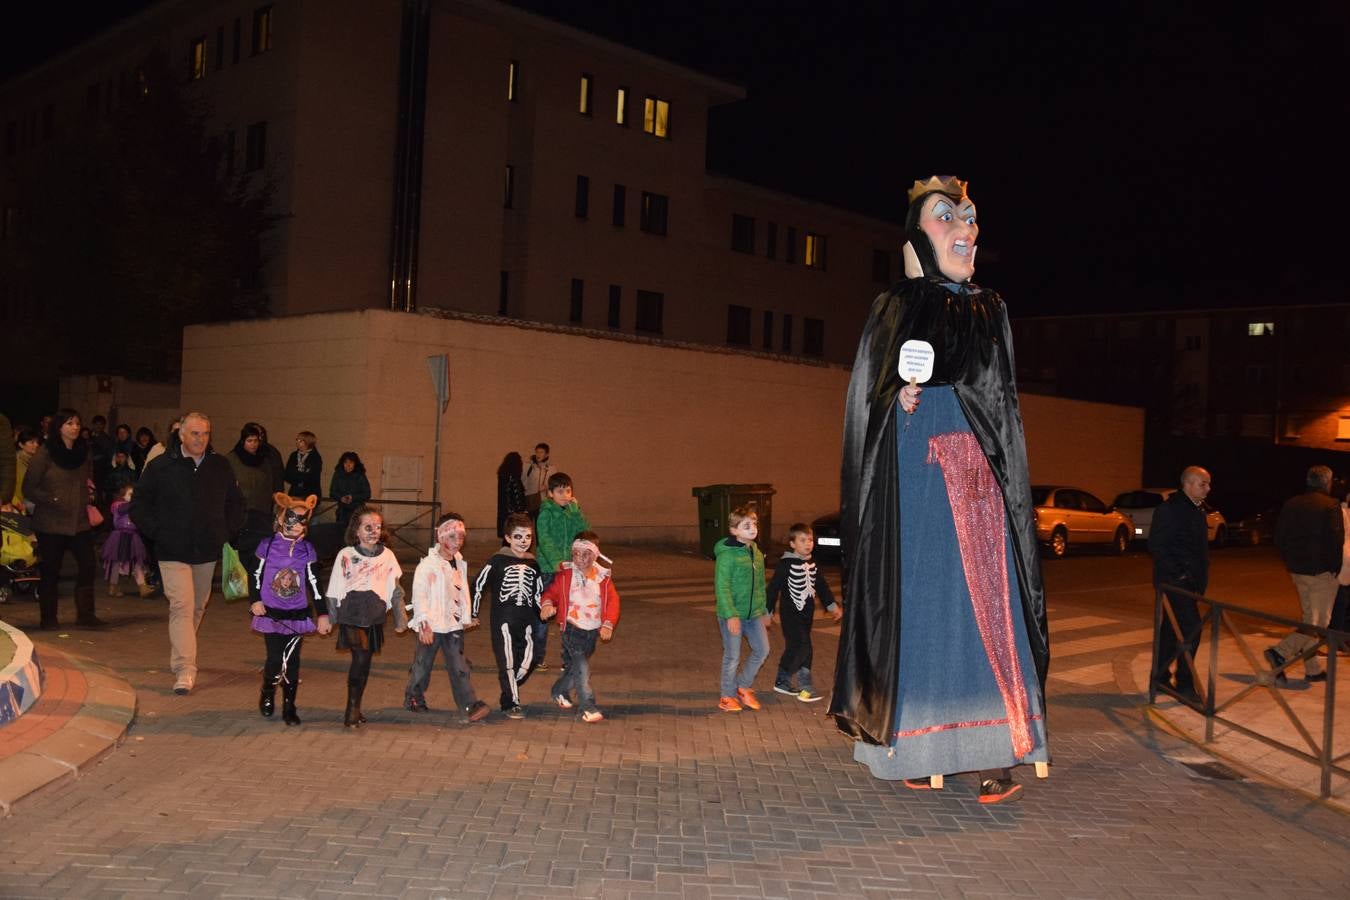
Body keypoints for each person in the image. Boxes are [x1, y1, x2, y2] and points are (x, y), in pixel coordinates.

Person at [829, 176, 1048, 805]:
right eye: (946, 216)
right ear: (916, 235)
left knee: (987, 614)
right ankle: (921, 752)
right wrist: (898, 398)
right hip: (918, 490)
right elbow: (868, 408)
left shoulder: (989, 309)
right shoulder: (893, 308)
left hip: (978, 488)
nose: (965, 229)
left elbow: (1002, 406)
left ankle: (993, 755)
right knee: (920, 614)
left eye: (970, 217)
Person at [129, 412, 245, 694]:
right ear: (181, 435)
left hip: (206, 549)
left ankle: (182, 652)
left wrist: (225, 532)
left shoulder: (220, 465)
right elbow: (139, 505)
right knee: (181, 606)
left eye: (205, 433)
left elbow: (236, 502)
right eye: (194, 433)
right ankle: (185, 669)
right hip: (172, 550)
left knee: (197, 607)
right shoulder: (161, 466)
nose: (200, 439)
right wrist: (158, 532)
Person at [403, 513, 491, 723]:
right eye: (452, 537)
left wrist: (466, 617)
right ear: (440, 536)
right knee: (422, 665)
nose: (457, 542)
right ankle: (414, 696)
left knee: (459, 666)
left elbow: (462, 592)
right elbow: (419, 595)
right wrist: (423, 623)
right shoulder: (427, 565)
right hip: (432, 626)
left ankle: (469, 705)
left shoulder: (459, 563)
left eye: (461, 537)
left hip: (452, 625)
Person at [324, 505, 407, 728]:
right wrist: (330, 618)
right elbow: (334, 587)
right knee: (360, 658)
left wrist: (401, 619)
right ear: (356, 531)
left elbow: (395, 589)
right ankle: (351, 711)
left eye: (377, 527)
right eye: (368, 527)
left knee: (364, 662)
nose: (374, 531)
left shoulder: (387, 556)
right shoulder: (346, 555)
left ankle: (356, 706)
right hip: (351, 613)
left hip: (374, 615)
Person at [23, 409, 103, 630]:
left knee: (88, 565)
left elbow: (88, 479)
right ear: (58, 427)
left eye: (77, 423)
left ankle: (86, 616)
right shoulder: (45, 453)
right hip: (51, 523)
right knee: (51, 571)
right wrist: (51, 498)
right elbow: (28, 488)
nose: (75, 427)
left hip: (79, 521)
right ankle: (48, 618)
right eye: (69, 423)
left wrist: (89, 494)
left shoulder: (84, 451)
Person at [249, 493, 324, 726]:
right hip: (271, 613)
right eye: (293, 518)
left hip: (297, 614)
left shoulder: (307, 549)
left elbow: (314, 582)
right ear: (281, 519)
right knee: (274, 658)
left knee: (292, 661)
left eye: (303, 520)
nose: (298, 524)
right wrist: (255, 600)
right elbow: (255, 574)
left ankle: (290, 706)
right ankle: (268, 691)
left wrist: (322, 613)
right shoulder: (267, 545)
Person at [1266, 465, 1344, 685]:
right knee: (1319, 623)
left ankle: (1312, 669)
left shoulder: (1292, 503)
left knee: (1310, 619)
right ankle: (1279, 652)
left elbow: (1279, 537)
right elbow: (1335, 539)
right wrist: (1334, 568)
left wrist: (1291, 561)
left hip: (1298, 571)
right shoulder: (1331, 505)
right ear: (1327, 482)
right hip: (1321, 573)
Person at [539, 531, 620, 723]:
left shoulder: (603, 579)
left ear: (595, 555)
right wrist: (547, 605)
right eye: (576, 554)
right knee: (582, 668)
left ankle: (559, 690)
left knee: (575, 667)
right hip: (572, 628)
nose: (580, 559)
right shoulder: (566, 575)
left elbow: (613, 602)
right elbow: (551, 594)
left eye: (586, 554)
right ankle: (588, 705)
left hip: (592, 631)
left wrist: (608, 623)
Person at [1148, 467, 1212, 704]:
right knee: (1192, 629)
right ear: (1188, 484)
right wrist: (1180, 575)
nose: (1208, 489)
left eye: (1208, 484)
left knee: (1170, 630)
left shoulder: (1196, 509)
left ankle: (1160, 678)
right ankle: (1184, 683)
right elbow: (1157, 546)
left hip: (1188, 582)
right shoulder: (1170, 510)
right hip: (1175, 583)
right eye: (1203, 484)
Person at [472, 512, 545, 718]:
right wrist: (472, 613)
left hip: (528, 620)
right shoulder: (497, 560)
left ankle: (509, 681)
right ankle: (510, 701)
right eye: (518, 537)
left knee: (533, 657)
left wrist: (543, 611)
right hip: (503, 621)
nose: (524, 541)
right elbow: (478, 584)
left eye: (528, 537)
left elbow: (538, 591)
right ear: (508, 538)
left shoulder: (533, 563)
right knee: (508, 661)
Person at [767, 522, 842, 703]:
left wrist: (832, 606)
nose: (808, 543)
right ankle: (799, 684)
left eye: (810, 540)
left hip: (806, 615)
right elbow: (773, 588)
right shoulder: (785, 564)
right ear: (792, 544)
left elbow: (822, 586)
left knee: (800, 648)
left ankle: (788, 682)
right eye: (802, 540)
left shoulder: (813, 564)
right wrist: (767, 612)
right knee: (803, 646)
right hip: (790, 615)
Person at [714, 506, 770, 712]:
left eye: (754, 524)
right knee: (732, 656)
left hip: (754, 614)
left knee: (762, 650)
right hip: (733, 614)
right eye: (746, 525)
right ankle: (726, 696)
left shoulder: (756, 552)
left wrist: (764, 610)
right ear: (734, 530)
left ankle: (742, 686)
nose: (753, 528)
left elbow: (760, 584)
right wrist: (731, 615)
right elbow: (722, 587)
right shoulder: (727, 556)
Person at [534, 471, 590, 669]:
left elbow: (585, 533)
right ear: (550, 493)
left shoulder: (572, 512)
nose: (565, 495)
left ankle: (568, 659)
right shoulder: (546, 514)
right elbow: (545, 540)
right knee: (543, 616)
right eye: (560, 491)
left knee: (570, 616)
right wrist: (557, 562)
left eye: (568, 491)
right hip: (549, 570)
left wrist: (576, 511)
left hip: (571, 570)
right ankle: (536, 658)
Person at [227, 424, 278, 558]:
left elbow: (270, 483)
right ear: (243, 441)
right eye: (249, 441)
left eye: (255, 441)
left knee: (257, 548)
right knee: (239, 549)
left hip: (261, 511)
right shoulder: (232, 459)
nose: (253, 444)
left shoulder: (264, 460)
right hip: (240, 513)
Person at [101, 483, 152, 598]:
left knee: (137, 562)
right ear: (123, 495)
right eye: (130, 494)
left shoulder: (134, 507)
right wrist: (136, 502)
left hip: (133, 538)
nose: (132, 496)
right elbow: (123, 509)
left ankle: (143, 587)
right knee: (116, 563)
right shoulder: (117, 505)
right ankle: (113, 587)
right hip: (119, 537)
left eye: (134, 494)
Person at [329, 451, 372, 529]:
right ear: (342, 463)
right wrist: (341, 497)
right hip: (342, 512)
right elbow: (332, 492)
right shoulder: (338, 474)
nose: (348, 465)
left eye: (351, 462)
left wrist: (353, 497)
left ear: (355, 464)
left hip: (357, 512)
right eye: (345, 462)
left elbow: (367, 494)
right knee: (340, 533)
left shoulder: (360, 476)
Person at [495, 451, 527, 538]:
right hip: (513, 511)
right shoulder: (514, 478)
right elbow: (517, 495)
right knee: (514, 533)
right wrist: (522, 509)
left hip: (504, 510)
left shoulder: (503, 476)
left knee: (507, 534)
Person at [284, 431, 323, 499]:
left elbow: (312, 477)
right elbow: (287, 474)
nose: (297, 442)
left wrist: (298, 475)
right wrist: (301, 475)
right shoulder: (293, 455)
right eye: (297, 440)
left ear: (308, 442)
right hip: (294, 491)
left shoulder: (315, 457)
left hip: (310, 493)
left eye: (300, 441)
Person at [521, 443, 554, 519]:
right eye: (537, 452)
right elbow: (523, 482)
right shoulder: (528, 466)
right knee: (528, 521)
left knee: (541, 521)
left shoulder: (551, 469)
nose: (538, 454)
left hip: (544, 501)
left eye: (541, 452)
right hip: (530, 500)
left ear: (546, 454)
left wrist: (546, 487)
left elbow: (554, 485)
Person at [10, 426, 39, 511]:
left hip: (33, 502)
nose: (36, 445)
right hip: (20, 503)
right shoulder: (15, 461)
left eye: (37, 442)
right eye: (32, 442)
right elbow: (10, 486)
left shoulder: (36, 460)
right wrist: (17, 502)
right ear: (21, 445)